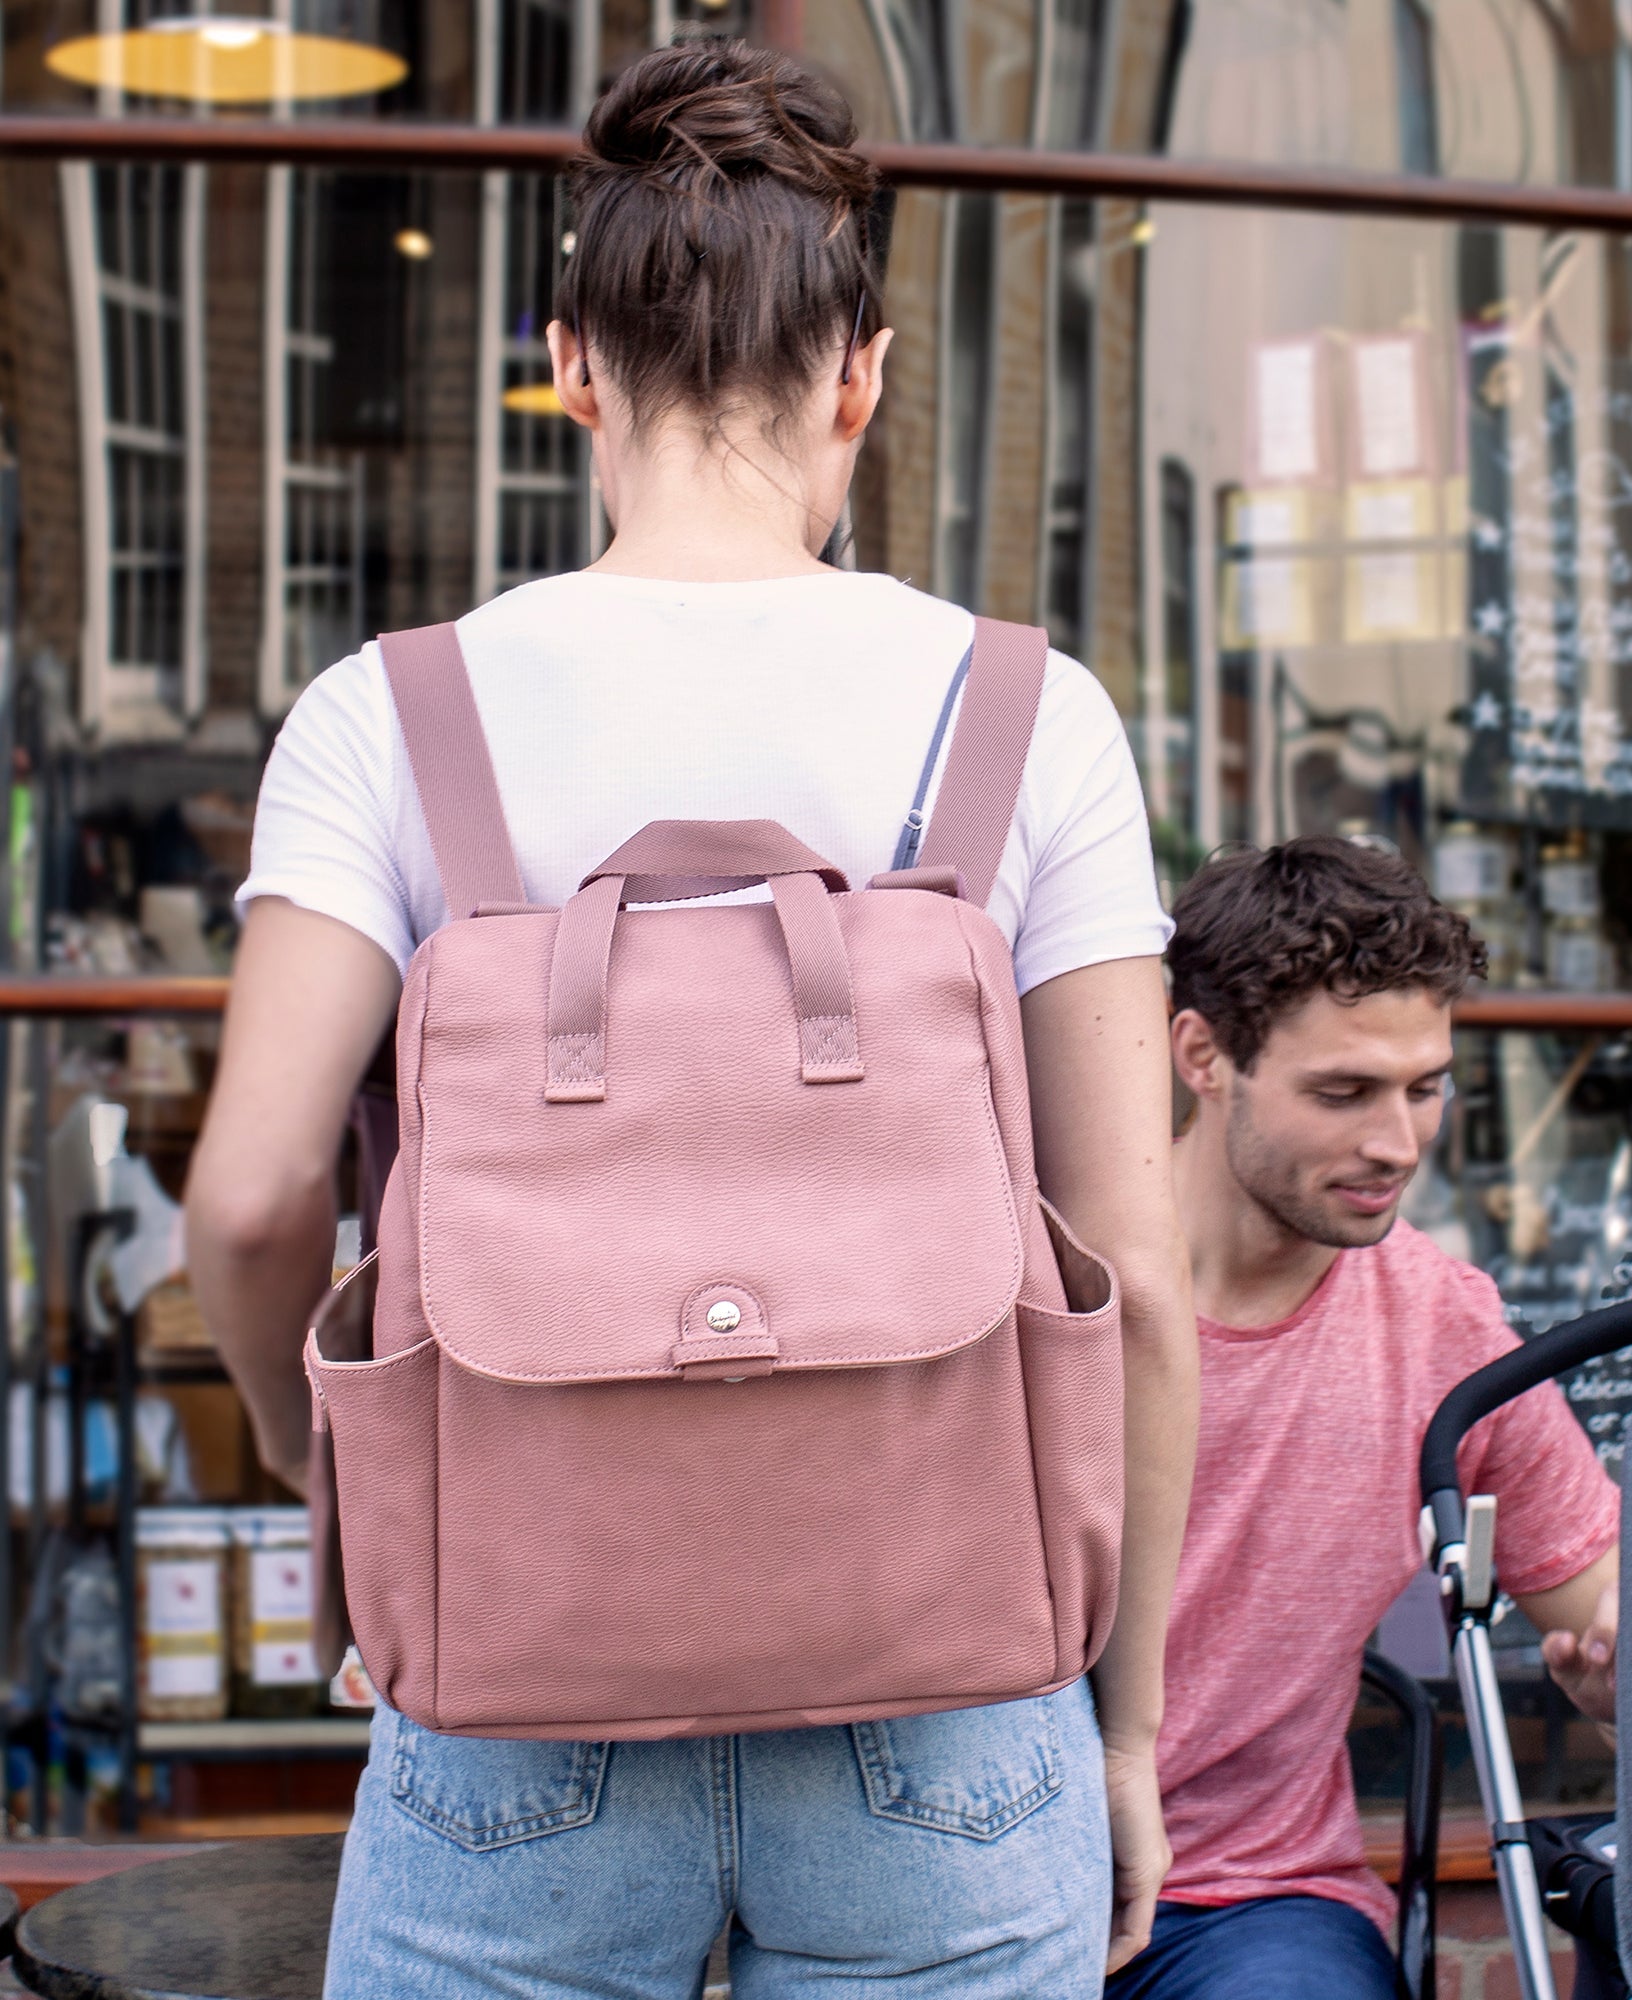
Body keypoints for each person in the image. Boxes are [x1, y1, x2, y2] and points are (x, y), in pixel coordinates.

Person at [184, 40, 1199, 1998]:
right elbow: (1136, 1288)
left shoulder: (391, 718)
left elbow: (245, 1204)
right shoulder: (1026, 715)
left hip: (519, 1673)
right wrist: (1131, 1726)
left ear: (568, 365)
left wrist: (363, 1487)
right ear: (861, 376)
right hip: (950, 1691)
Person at [1106, 837, 1621, 2000]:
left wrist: (1621, 1674)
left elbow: (1607, 1599)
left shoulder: (1442, 1327)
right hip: (988, 1871)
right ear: (1202, 1055)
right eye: (1341, 1091)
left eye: (1423, 1086)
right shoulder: (1048, 1280)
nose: (1396, 1142)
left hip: (1247, 1902)